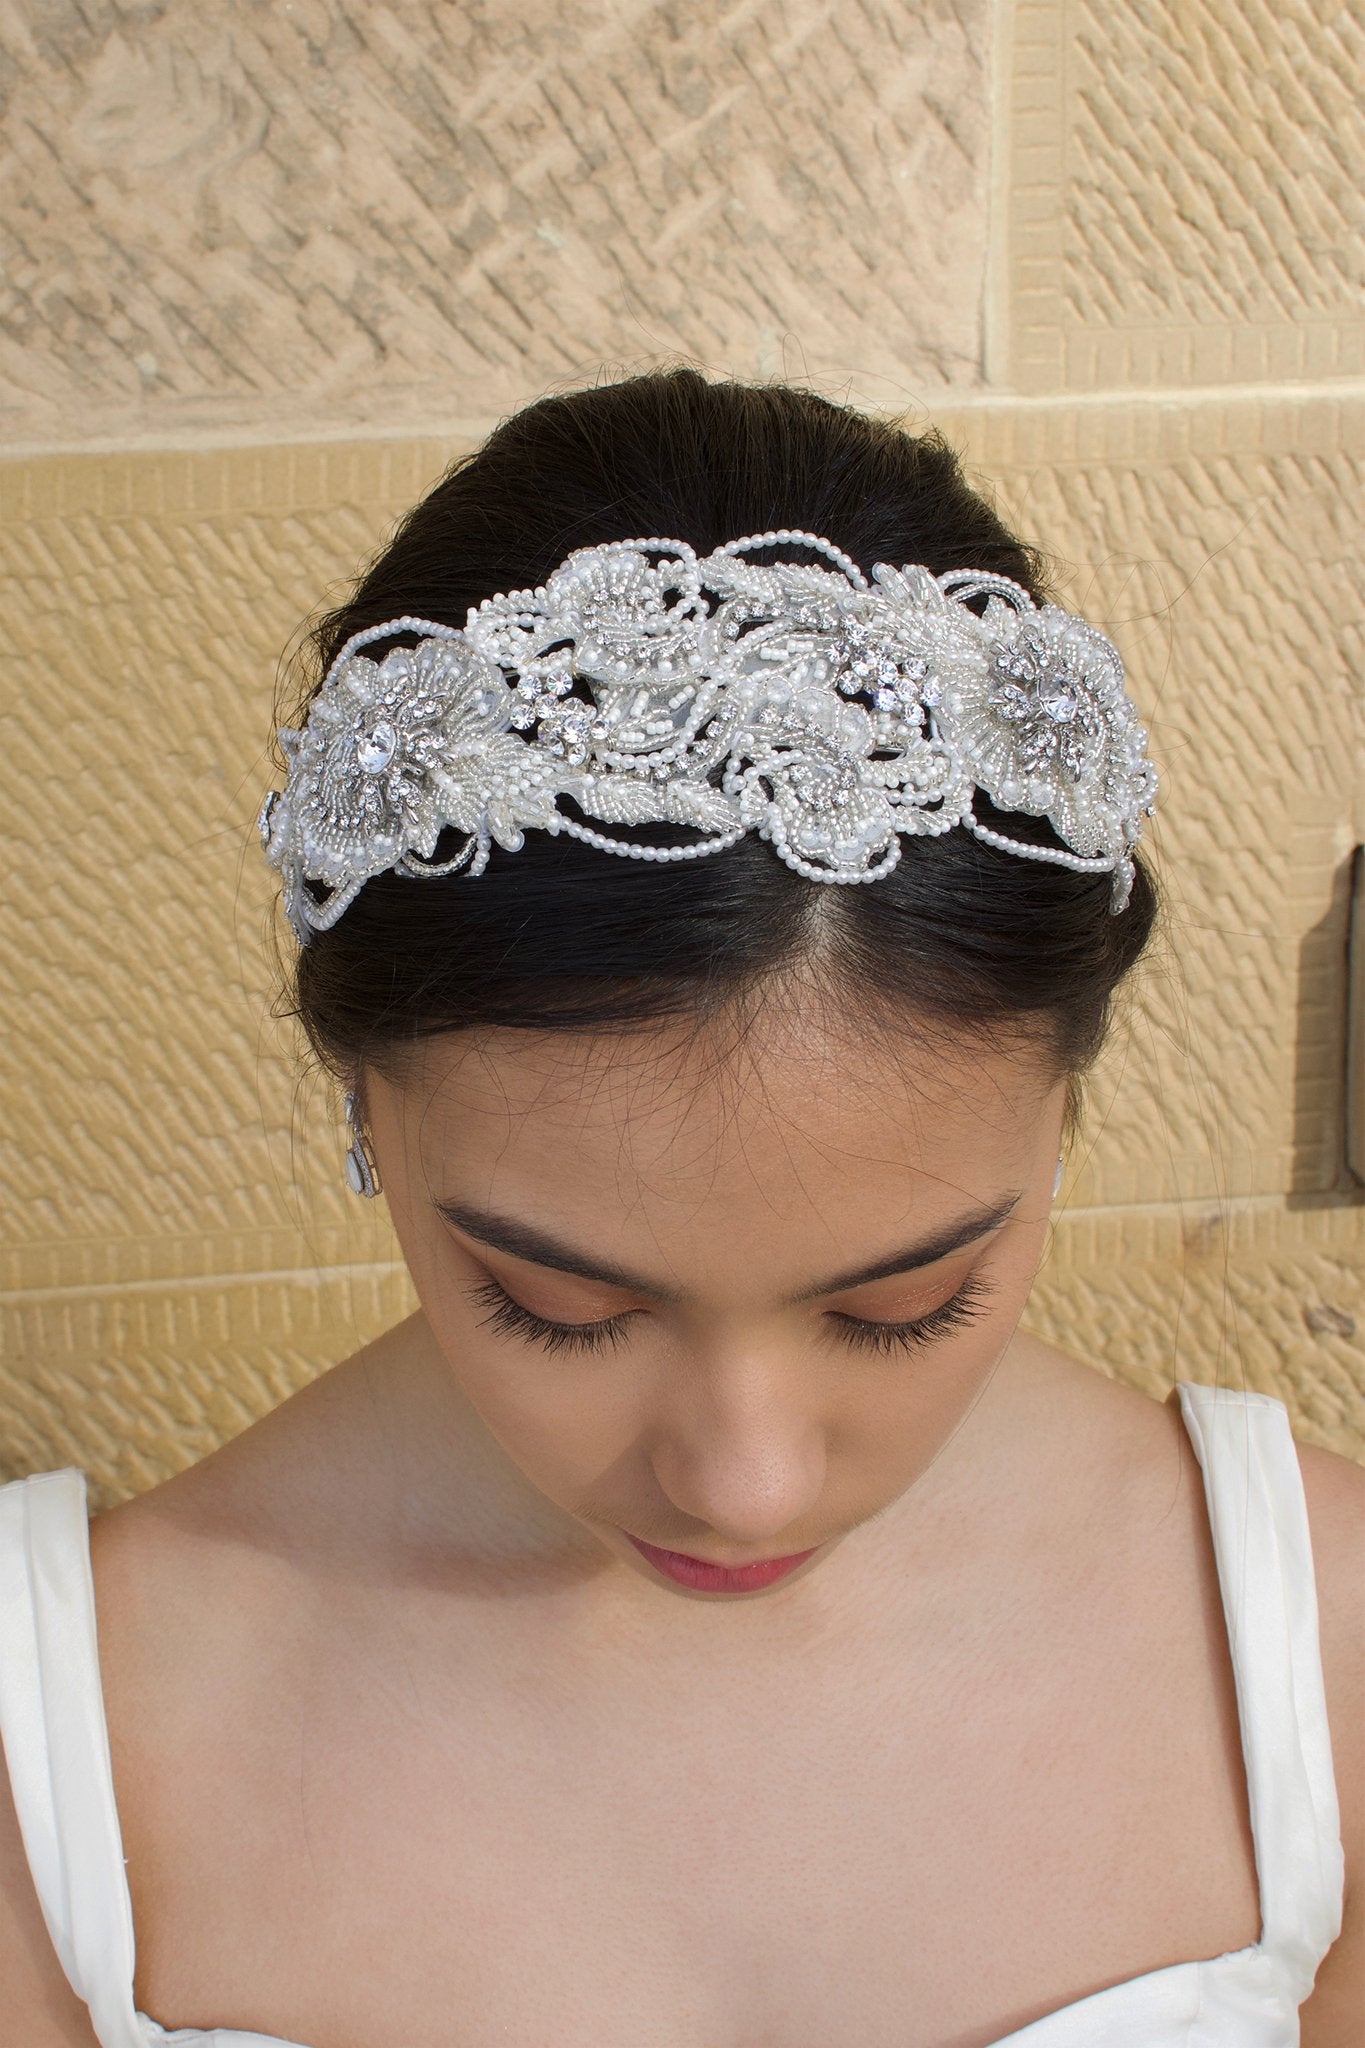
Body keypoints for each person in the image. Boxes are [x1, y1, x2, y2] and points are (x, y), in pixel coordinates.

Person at [0, 370, 1360, 2048]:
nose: (743, 1481)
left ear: (1062, 1110)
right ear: (367, 1107)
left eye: (900, 1305)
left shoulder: (1323, 1650)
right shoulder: (55, 1757)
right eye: (559, 1308)